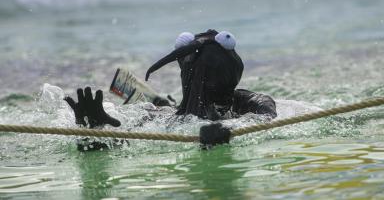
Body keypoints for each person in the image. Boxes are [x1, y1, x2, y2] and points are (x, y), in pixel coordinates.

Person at [65, 29, 277, 148]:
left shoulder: (250, 102)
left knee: (161, 108)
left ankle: (154, 98)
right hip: (171, 113)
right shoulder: (158, 120)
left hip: (172, 113)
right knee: (160, 108)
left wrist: (227, 130)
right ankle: (154, 99)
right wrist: (94, 132)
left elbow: (265, 114)